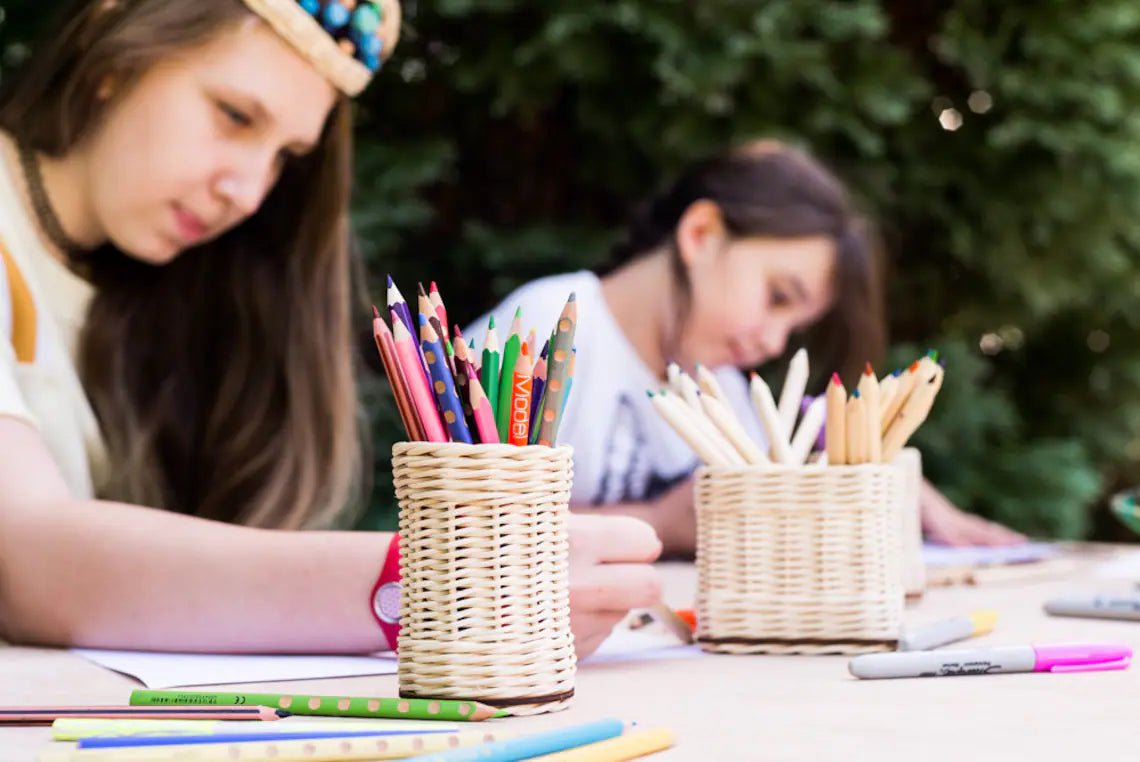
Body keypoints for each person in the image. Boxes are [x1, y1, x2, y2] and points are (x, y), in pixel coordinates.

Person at [0, 0, 661, 660]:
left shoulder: (165, 289)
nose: (250, 192)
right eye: (233, 115)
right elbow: (25, 560)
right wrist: (440, 586)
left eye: (285, 155)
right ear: (113, 43)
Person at [468, 141, 1025, 556]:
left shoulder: (723, 389)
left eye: (796, 326)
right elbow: (462, 541)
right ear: (702, 234)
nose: (773, 341)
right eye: (778, 296)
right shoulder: (543, 333)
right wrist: (660, 521)